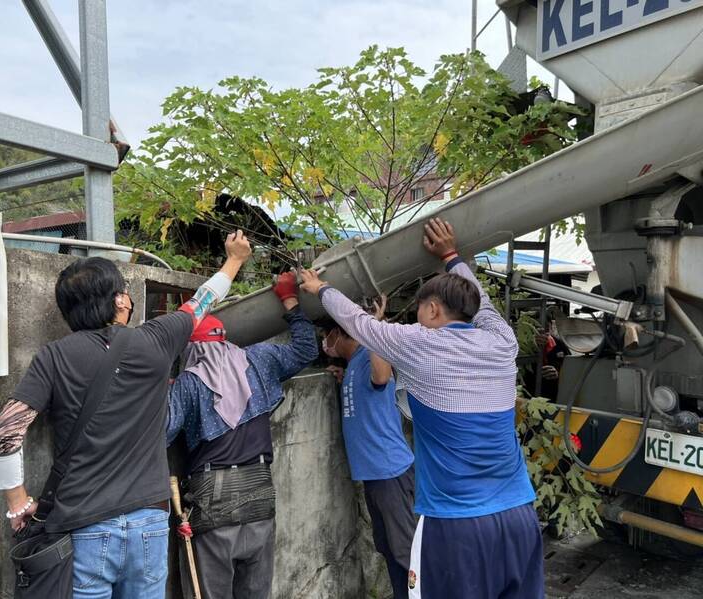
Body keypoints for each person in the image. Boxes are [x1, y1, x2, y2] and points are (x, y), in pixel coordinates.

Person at [0, 231, 252, 599]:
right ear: (118, 300)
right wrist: (235, 259)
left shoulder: (55, 356)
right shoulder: (157, 339)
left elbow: (5, 433)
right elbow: (202, 301)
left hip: (85, 525)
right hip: (151, 520)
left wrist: (17, 502)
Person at [299, 218, 543, 599]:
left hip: (456, 524)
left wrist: (321, 287)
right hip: (519, 515)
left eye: (418, 311)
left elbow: (360, 324)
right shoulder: (501, 341)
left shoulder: (420, 345)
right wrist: (450, 256)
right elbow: (485, 304)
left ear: (431, 310)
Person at [166, 271, 318, 599]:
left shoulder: (190, 383)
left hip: (213, 504)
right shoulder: (259, 359)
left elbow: (161, 432)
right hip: (261, 498)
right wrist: (290, 301)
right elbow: (307, 350)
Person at [320, 295, 416, 599]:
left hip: (390, 472)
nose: (325, 342)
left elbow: (381, 376)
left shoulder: (368, 358)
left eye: (327, 334)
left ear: (339, 332)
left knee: (405, 554)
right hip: (376, 476)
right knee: (388, 550)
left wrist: (374, 325)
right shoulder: (351, 367)